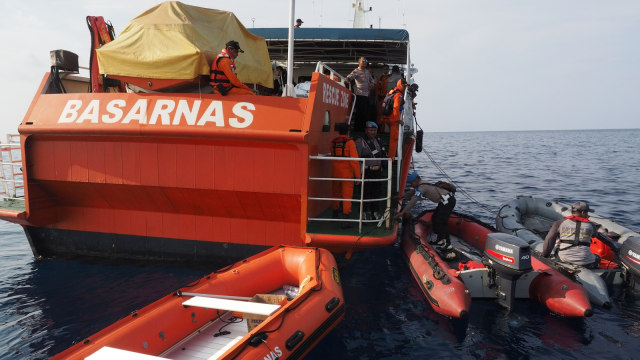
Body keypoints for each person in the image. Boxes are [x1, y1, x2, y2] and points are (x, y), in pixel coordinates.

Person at [395, 172, 457, 258]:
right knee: (435, 218)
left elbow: (414, 200)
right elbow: (412, 192)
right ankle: (439, 239)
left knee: (441, 222)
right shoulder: (422, 183)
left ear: (416, 180)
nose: (411, 185)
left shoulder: (422, 187)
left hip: (448, 201)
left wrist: (403, 212)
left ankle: (447, 244)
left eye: (412, 183)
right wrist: (402, 197)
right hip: (444, 201)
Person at [542, 201, 600, 268]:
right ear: (583, 213)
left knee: (557, 247)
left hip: (564, 258)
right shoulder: (591, 225)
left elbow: (549, 239)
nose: (588, 215)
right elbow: (594, 235)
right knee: (598, 258)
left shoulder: (559, 223)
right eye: (587, 213)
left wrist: (545, 255)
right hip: (585, 261)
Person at [331, 123, 362, 228]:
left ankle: (335, 215)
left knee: (336, 193)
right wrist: (358, 176)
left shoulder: (333, 142)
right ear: (348, 131)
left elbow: (332, 154)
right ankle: (345, 220)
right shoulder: (350, 143)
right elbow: (354, 161)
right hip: (347, 174)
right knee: (347, 196)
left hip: (335, 172)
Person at [356, 121, 387, 220]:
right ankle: (364, 213)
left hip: (377, 172)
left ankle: (374, 213)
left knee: (376, 193)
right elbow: (357, 158)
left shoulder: (378, 140)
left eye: (374, 130)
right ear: (366, 130)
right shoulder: (360, 141)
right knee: (365, 193)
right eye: (370, 130)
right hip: (366, 172)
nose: (373, 132)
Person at [345, 57, 375, 132]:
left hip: (367, 95)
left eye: (366, 61)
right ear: (359, 62)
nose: (365, 62)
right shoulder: (356, 71)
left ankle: (364, 129)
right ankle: (358, 130)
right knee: (360, 114)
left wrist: (372, 83)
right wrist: (348, 84)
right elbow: (348, 78)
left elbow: (372, 80)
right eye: (363, 61)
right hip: (360, 95)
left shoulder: (367, 72)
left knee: (367, 114)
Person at [386, 79, 406, 159]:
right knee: (394, 139)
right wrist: (398, 120)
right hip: (393, 119)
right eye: (404, 85)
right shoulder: (399, 95)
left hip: (388, 116)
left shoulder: (392, 91)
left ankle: (391, 156)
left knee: (393, 138)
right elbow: (396, 107)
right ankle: (391, 158)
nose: (405, 87)